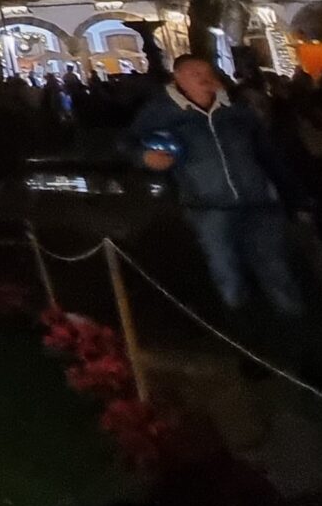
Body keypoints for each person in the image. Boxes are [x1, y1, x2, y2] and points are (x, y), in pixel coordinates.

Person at [128, 54, 306, 319]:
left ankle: (292, 318)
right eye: (194, 73)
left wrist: (292, 194)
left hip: (257, 200)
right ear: (178, 79)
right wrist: (144, 156)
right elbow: (129, 143)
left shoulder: (236, 111)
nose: (204, 77)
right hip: (208, 205)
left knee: (273, 262)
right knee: (225, 266)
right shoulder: (161, 112)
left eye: (206, 71)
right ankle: (240, 324)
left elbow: (266, 154)